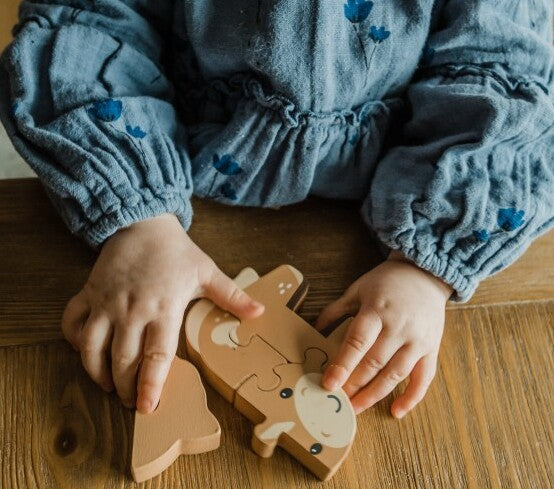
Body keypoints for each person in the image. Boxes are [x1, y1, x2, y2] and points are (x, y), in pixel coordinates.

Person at [1, 1, 552, 418]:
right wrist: (136, 215)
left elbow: (502, 65)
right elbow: (88, 22)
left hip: (410, 189)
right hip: (165, 165)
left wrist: (429, 263)